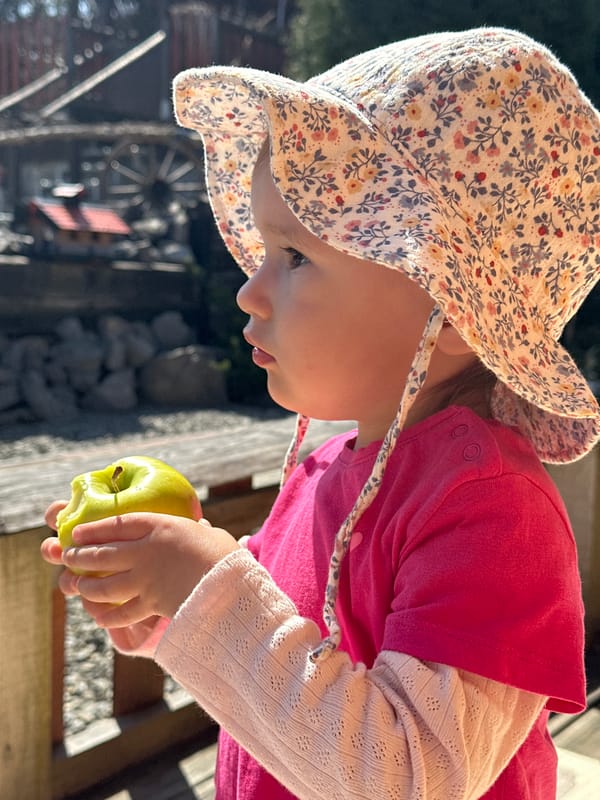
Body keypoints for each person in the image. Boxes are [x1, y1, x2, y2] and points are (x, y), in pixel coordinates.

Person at [41, 27, 600, 799]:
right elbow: (285, 667)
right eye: (266, 251)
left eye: (296, 257)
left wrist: (206, 588)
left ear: (457, 311)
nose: (249, 289)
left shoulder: (492, 513)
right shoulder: (324, 471)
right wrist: (165, 606)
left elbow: (408, 778)